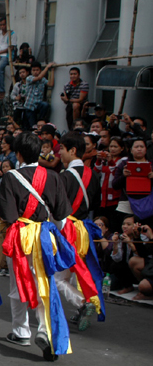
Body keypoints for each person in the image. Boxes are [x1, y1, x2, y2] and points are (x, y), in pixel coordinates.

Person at [0, 132, 73, 361]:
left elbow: (8, 215)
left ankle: (20, 330)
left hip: (20, 236)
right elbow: (61, 216)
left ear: (18, 154)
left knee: (17, 282)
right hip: (45, 237)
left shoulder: (11, 178)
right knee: (44, 283)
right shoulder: (53, 176)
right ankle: (45, 331)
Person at [57, 132, 104, 332]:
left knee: (58, 278)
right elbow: (95, 204)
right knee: (78, 271)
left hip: (67, 230)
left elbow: (58, 209)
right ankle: (82, 308)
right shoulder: (94, 175)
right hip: (83, 230)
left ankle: (82, 303)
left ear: (72, 150)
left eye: (61, 149)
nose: (58, 152)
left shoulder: (64, 177)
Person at [23, 62, 54, 129]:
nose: (35, 72)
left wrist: (52, 70)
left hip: (38, 104)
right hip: (30, 106)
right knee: (33, 126)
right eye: (33, 70)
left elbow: (51, 84)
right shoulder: (29, 78)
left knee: (45, 105)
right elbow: (39, 77)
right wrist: (47, 67)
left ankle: (40, 120)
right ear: (31, 71)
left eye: (37, 70)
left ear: (40, 70)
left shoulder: (43, 80)